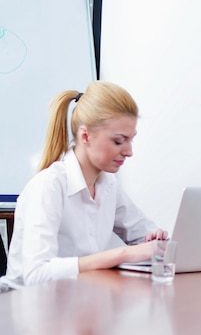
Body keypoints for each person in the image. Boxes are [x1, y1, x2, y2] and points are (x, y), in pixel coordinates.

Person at [0, 81, 167, 289]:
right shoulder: (49, 185)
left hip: (79, 303)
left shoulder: (108, 185)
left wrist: (153, 242)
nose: (129, 151)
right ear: (85, 136)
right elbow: (36, 274)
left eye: (131, 140)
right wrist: (122, 254)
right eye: (119, 141)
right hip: (29, 308)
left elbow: (144, 236)